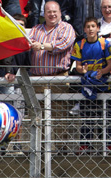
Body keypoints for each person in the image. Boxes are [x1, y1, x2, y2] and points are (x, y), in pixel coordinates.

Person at [28, 1, 76, 153]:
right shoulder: (35, 29)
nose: (52, 14)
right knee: (37, 116)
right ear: (44, 14)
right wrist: (41, 45)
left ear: (60, 13)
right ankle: (39, 150)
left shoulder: (66, 28)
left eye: (55, 11)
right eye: (49, 11)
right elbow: (28, 44)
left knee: (59, 115)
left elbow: (63, 44)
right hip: (37, 79)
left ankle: (61, 150)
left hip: (58, 79)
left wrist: (42, 46)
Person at [70, 16, 111, 151]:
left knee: (107, 116)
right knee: (87, 116)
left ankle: (109, 145)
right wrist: (82, 70)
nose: (90, 29)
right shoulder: (79, 44)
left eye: (93, 26)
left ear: (98, 28)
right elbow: (77, 66)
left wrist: (102, 71)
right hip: (87, 85)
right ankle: (85, 145)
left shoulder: (105, 43)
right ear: (84, 29)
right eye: (88, 27)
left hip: (103, 85)